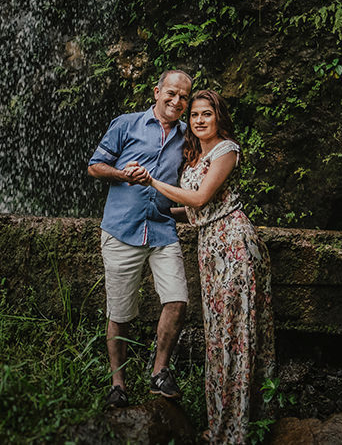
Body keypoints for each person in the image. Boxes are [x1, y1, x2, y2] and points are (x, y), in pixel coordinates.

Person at [133, 89, 275, 443]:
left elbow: (199, 198)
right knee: (218, 337)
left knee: (235, 335)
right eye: (194, 115)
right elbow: (195, 210)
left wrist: (152, 181)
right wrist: (158, 208)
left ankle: (237, 429)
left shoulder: (227, 150)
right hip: (210, 245)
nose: (198, 120)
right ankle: (222, 423)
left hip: (234, 244)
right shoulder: (197, 157)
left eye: (206, 114)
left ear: (218, 117)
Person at [88, 69, 193, 409]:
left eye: (183, 97)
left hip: (163, 229)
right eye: (171, 93)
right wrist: (123, 175)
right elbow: (95, 166)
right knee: (119, 312)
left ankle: (159, 372)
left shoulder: (187, 136)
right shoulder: (127, 124)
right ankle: (117, 383)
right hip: (122, 229)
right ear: (157, 91)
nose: (176, 101)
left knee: (177, 301)